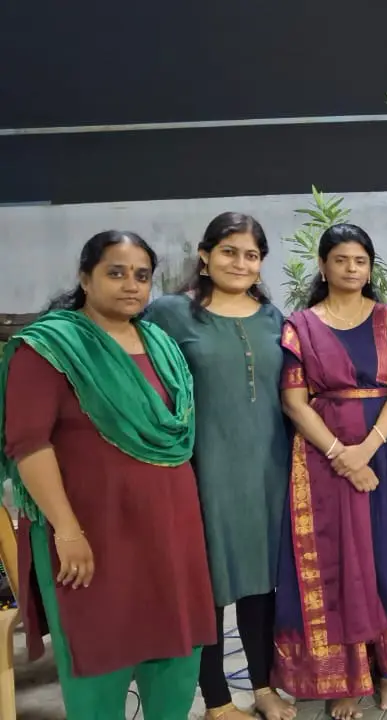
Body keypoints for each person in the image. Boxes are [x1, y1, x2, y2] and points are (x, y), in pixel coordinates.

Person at [0, 231, 215, 719]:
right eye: (115, 273)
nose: (131, 285)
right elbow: (28, 445)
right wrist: (67, 530)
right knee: (99, 665)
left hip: (169, 534)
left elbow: (179, 437)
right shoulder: (50, 348)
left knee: (176, 661)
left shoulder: (160, 344)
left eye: (141, 276)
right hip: (90, 538)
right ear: (85, 277)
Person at [273, 223, 387, 720]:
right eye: (341, 260)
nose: (351, 269)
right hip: (322, 459)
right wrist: (341, 453)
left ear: (370, 267)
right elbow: (295, 402)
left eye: (360, 261)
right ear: (323, 266)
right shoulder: (300, 325)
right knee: (341, 564)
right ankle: (343, 681)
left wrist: (367, 449)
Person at [144, 212, 295, 720]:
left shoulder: (273, 318)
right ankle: (217, 699)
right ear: (205, 255)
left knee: (262, 583)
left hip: (268, 468)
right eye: (229, 251)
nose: (240, 262)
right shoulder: (169, 313)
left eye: (251, 254)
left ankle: (264, 686)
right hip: (201, 471)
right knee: (206, 584)